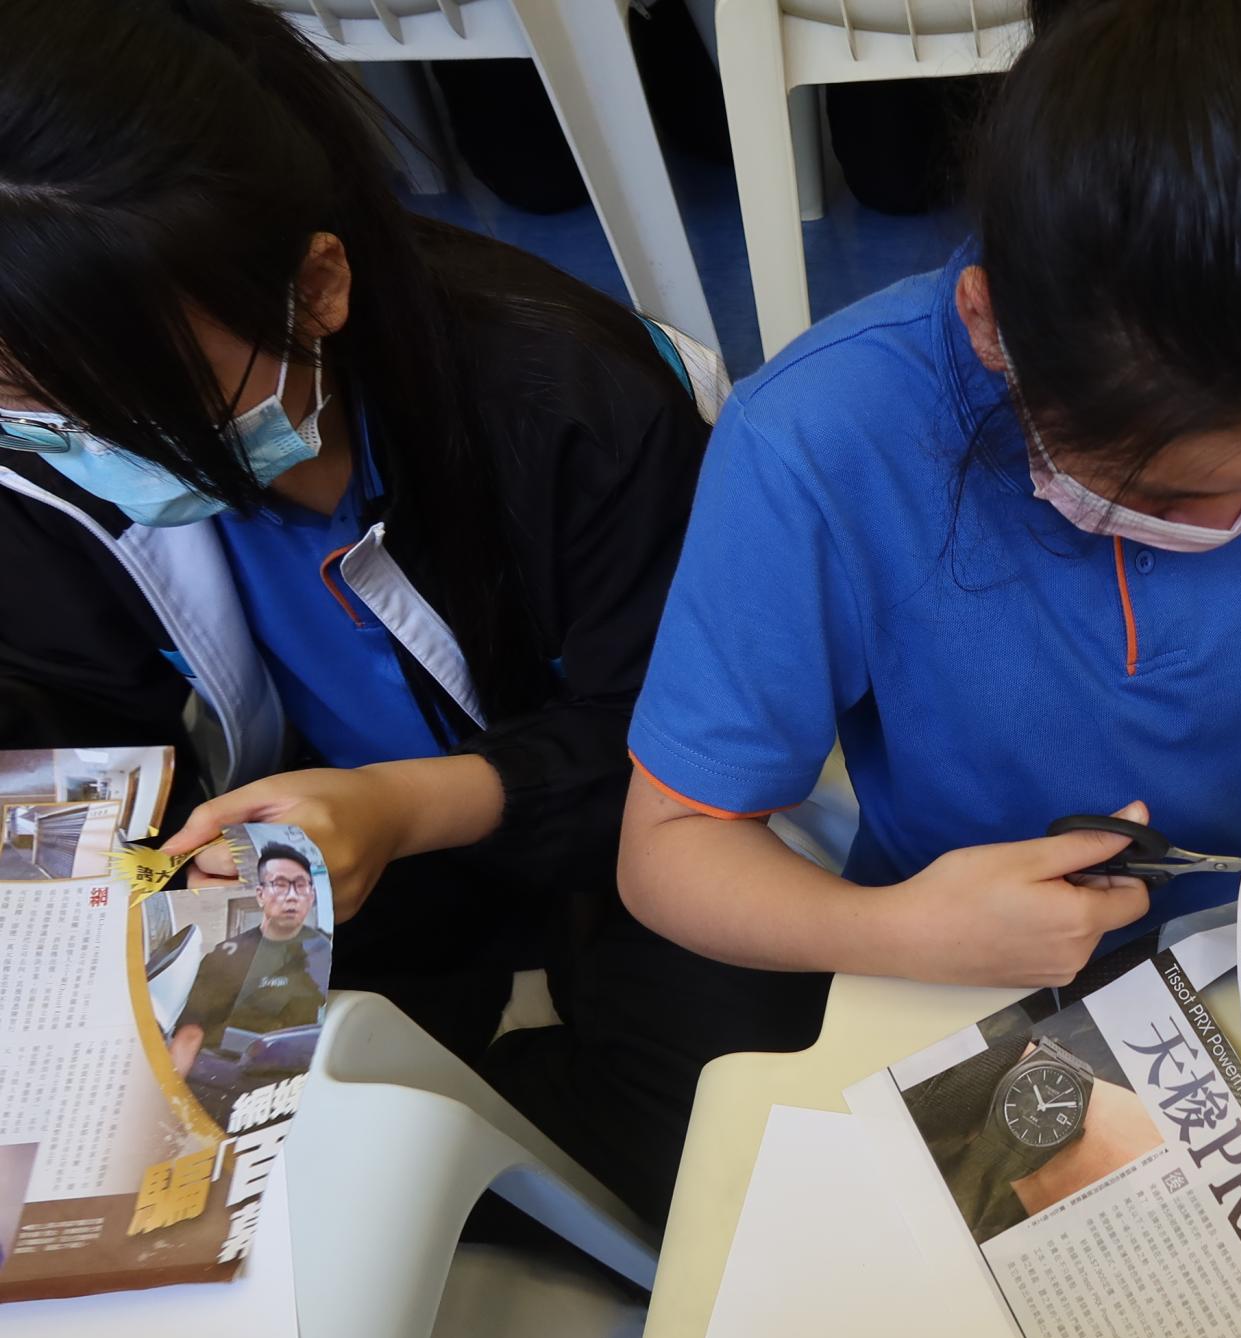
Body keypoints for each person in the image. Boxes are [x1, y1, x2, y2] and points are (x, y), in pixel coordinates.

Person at [0, 0, 826, 1220]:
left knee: (720, 1144)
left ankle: (454, 1122)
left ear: (316, 287)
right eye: (26, 403)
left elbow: (677, 738)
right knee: (149, 1153)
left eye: (140, 396)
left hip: (588, 810)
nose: (89, 445)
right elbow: (67, 726)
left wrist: (404, 806)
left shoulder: (566, 401)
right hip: (297, 856)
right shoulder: (40, 477)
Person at [620, 0, 1241, 989]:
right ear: (991, 327)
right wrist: (894, 930)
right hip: (957, 953)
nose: (1232, 524)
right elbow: (670, 846)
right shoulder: (817, 440)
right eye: (1168, 493)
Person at [169, 843, 331, 1119]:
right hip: (229, 1084)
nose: (292, 896)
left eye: (301, 885)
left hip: (307, 1084)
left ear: (312, 895)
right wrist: (170, 1103)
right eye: (280, 885)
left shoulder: (323, 948)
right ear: (260, 895)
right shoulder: (228, 955)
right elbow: (190, 1033)